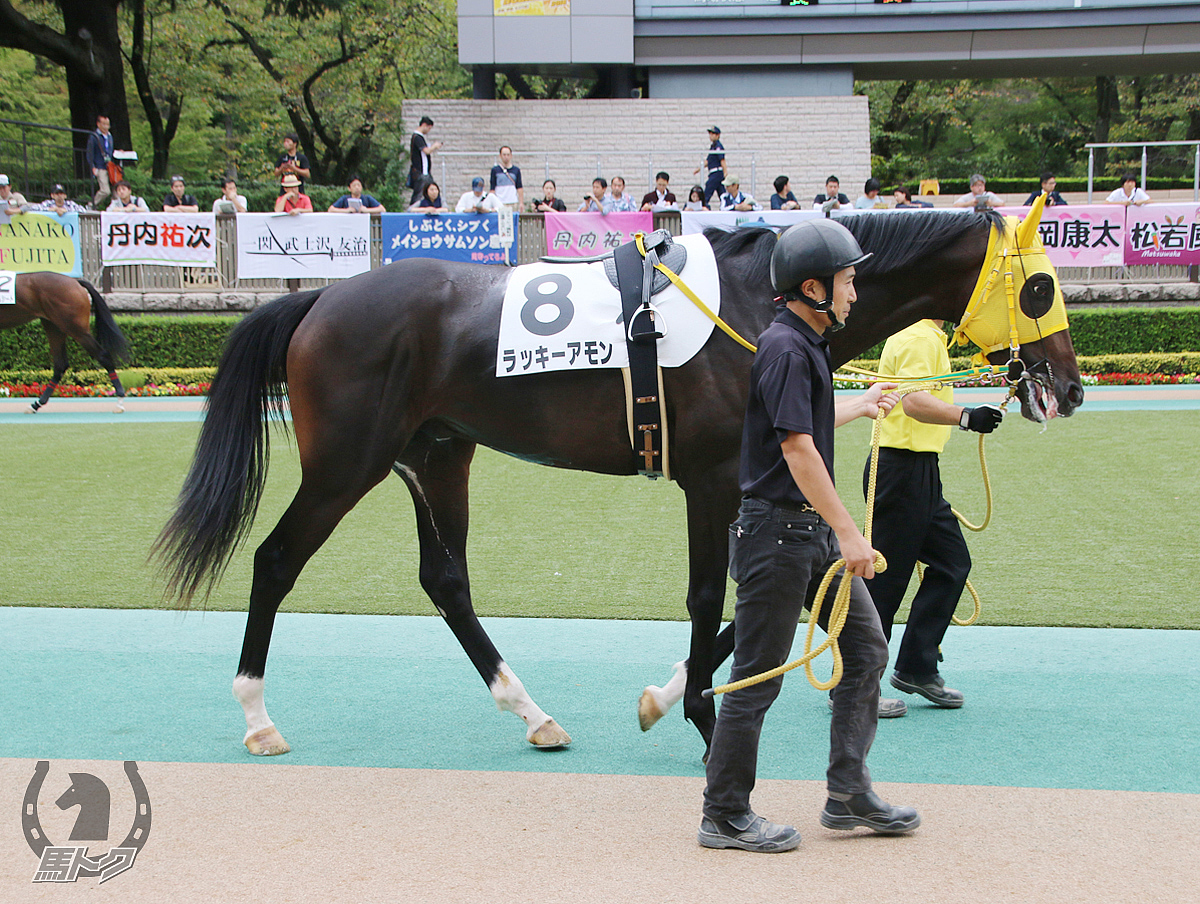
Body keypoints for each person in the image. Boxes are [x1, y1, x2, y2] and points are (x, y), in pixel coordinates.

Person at [699, 217, 919, 854]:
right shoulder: (787, 348)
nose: (855, 291)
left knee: (868, 650)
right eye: (849, 280)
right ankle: (724, 813)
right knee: (755, 678)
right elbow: (796, 450)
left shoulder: (803, 344)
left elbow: (805, 420)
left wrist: (862, 402)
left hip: (801, 533)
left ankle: (847, 791)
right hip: (778, 535)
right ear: (814, 286)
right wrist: (850, 533)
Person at [863, 319, 1004, 714]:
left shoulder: (928, 337)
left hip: (918, 473)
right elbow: (914, 402)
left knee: (952, 564)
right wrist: (965, 416)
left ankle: (916, 668)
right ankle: (855, 685)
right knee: (885, 585)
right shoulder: (919, 338)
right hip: (899, 473)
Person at [408, 116, 442, 206]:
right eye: (429, 128)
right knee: (418, 195)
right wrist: (434, 146)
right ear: (424, 125)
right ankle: (412, 212)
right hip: (421, 172)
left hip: (425, 172)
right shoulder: (417, 137)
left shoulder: (419, 137)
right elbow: (426, 151)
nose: (428, 131)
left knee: (431, 191)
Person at [85, 114, 115, 209]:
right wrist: (93, 166)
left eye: (108, 125)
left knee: (116, 189)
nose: (106, 127)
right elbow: (90, 153)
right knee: (105, 190)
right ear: (98, 124)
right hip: (100, 166)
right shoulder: (94, 136)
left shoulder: (110, 136)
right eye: (104, 124)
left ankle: (114, 208)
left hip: (110, 166)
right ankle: (92, 204)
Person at [693, 126, 726, 207]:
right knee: (722, 194)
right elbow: (708, 161)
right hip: (714, 173)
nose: (711, 136)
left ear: (718, 135)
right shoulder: (713, 147)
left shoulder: (718, 146)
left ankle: (702, 206)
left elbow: (722, 160)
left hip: (716, 173)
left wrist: (725, 172)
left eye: (713, 134)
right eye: (710, 134)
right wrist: (699, 169)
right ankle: (727, 205)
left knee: (707, 191)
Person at [489, 146, 523, 210]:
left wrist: (521, 202)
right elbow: (492, 188)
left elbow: (519, 187)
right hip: (499, 202)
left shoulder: (516, 170)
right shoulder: (495, 170)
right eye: (504, 155)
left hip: (512, 201)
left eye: (508, 155)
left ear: (511, 156)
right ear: (500, 156)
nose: (506, 157)